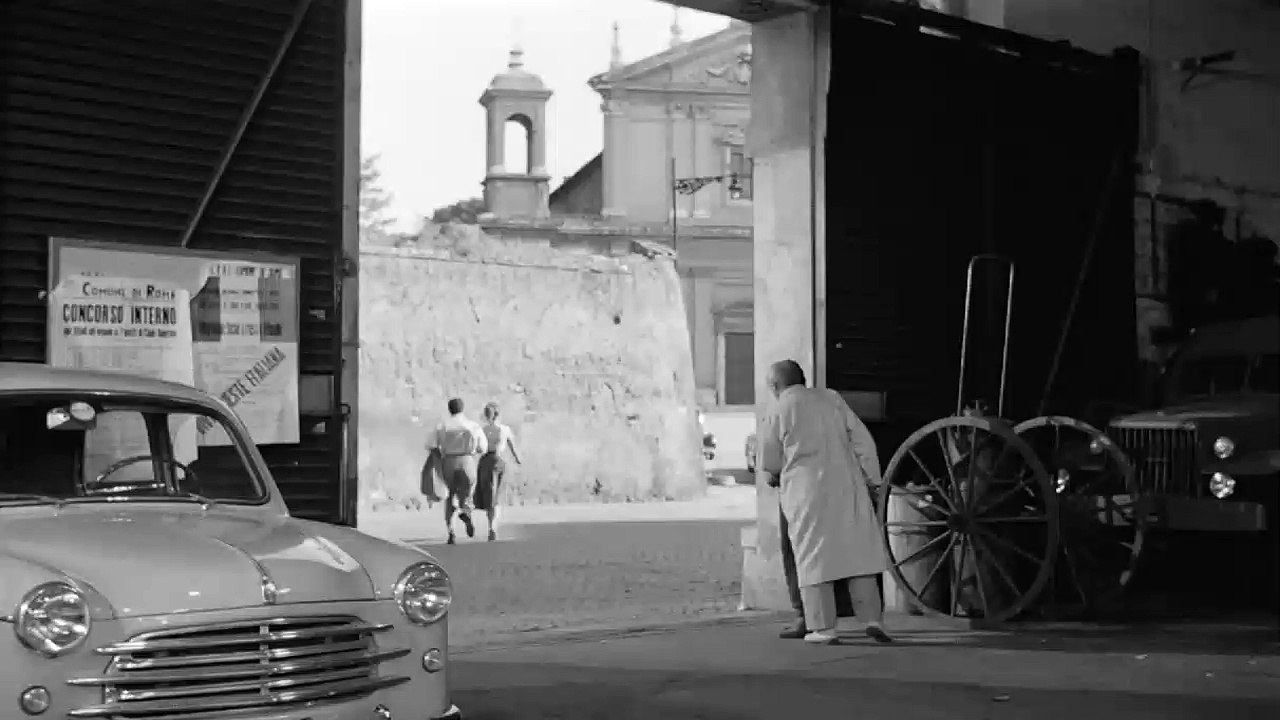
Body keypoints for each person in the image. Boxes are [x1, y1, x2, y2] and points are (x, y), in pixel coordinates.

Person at [758, 359, 892, 645]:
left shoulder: (780, 408)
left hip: (806, 492)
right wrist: (873, 481)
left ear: (774, 385)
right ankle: (872, 620)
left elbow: (770, 460)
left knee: (813, 557)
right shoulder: (831, 398)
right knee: (858, 554)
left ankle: (823, 627)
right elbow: (864, 442)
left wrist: (773, 476)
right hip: (847, 485)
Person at [429, 397, 488, 544]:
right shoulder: (472, 426)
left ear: (449, 409)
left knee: (449, 495)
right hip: (467, 460)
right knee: (468, 492)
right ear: (462, 409)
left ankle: (451, 532)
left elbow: (431, 444)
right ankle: (466, 511)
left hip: (448, 461)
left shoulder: (442, 425)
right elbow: (483, 447)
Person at [476, 401, 522, 541]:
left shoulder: (482, 430)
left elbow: (477, 448)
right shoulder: (505, 429)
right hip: (499, 461)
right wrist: (517, 459)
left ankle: (491, 526)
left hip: (485, 461)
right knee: (497, 496)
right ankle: (493, 526)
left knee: (488, 494)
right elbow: (513, 448)